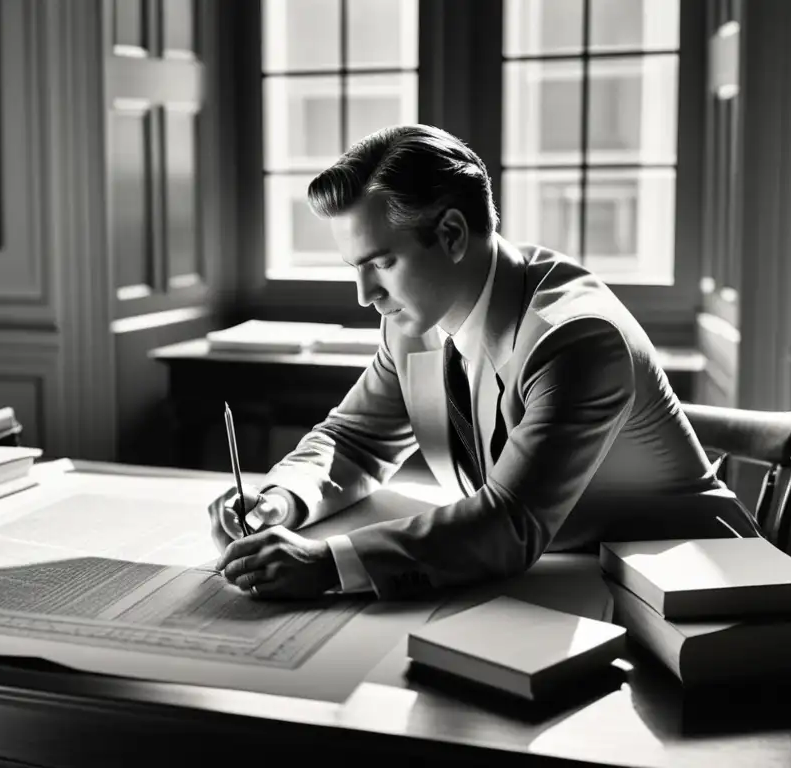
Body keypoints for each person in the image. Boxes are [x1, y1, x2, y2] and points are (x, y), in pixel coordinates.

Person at [208, 124, 762, 601]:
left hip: (693, 599)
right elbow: (355, 440)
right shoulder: (412, 320)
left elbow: (509, 522)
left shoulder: (575, 337)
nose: (364, 294)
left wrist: (328, 564)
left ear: (451, 234)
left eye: (381, 263)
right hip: (551, 581)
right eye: (356, 266)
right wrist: (280, 500)